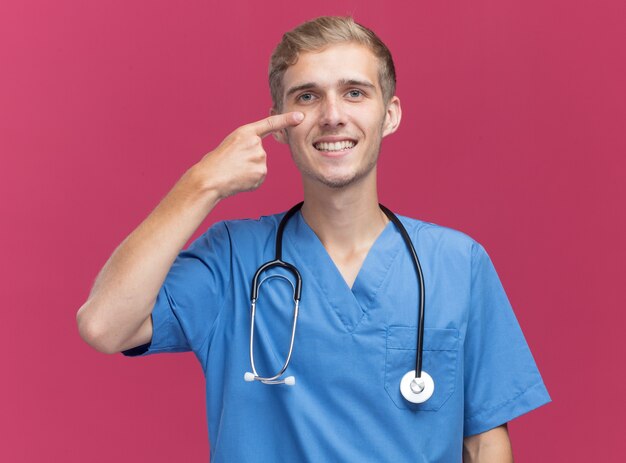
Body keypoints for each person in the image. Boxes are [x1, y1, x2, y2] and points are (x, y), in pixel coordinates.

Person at [77, 16, 550, 462]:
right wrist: (202, 183)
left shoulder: (456, 263)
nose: (332, 115)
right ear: (280, 123)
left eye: (354, 92)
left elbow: (485, 443)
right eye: (306, 97)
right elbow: (104, 325)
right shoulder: (232, 260)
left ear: (390, 114)